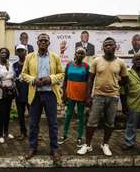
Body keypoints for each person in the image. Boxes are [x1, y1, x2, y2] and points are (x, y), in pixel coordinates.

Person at [77, 37, 128, 156]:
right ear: (103, 48)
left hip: (113, 97)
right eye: (106, 45)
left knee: (110, 123)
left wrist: (116, 84)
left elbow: (125, 79)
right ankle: (88, 145)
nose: (108, 47)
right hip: (98, 96)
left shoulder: (120, 62)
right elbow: (90, 79)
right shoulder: (96, 61)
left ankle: (105, 144)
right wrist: (88, 96)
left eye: (111, 45)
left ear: (116, 47)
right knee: (91, 122)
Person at [22, 33, 64, 161]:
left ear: (49, 43)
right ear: (37, 42)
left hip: (50, 94)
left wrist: (50, 79)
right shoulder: (29, 57)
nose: (43, 43)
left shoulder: (55, 57)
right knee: (33, 123)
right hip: (35, 94)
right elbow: (24, 74)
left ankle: (54, 149)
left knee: (53, 123)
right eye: (41, 40)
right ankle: (32, 148)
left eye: (46, 41)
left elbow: (61, 73)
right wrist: (34, 80)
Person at [58, 47, 89, 147]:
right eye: (78, 53)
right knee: (68, 115)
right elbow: (65, 80)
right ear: (75, 54)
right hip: (70, 93)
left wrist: (88, 96)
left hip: (81, 94)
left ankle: (79, 137)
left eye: (82, 54)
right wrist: (64, 94)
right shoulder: (69, 64)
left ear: (84, 56)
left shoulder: (86, 66)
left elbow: (89, 82)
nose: (80, 55)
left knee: (81, 116)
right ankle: (64, 135)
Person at [0, 48, 15, 144]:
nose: (3, 54)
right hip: (0, 92)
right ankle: (0, 134)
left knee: (7, 113)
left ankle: (6, 132)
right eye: (1, 52)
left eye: (5, 52)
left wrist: (12, 85)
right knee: (1, 114)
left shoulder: (10, 64)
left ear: (8, 54)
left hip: (9, 92)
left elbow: (13, 77)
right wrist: (2, 86)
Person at [13, 44, 29, 140]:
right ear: (16, 52)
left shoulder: (30, 63)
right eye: (18, 50)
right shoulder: (14, 65)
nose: (20, 52)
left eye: (22, 50)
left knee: (33, 115)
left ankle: (35, 132)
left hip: (30, 94)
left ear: (26, 52)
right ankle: (23, 132)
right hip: (19, 94)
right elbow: (13, 78)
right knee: (20, 115)